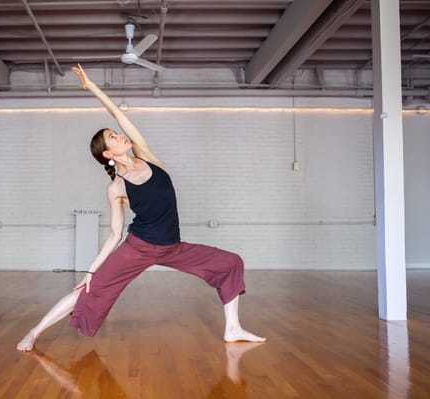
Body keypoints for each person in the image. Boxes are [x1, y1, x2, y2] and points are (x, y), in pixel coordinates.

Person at [17, 65, 265, 352]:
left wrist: (92, 87)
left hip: (173, 247)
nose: (120, 135)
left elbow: (119, 115)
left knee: (231, 262)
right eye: (113, 138)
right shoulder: (117, 188)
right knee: (88, 290)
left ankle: (233, 328)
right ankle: (34, 332)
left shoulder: (146, 156)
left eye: (116, 133)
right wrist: (91, 271)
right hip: (138, 248)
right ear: (109, 155)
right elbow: (114, 234)